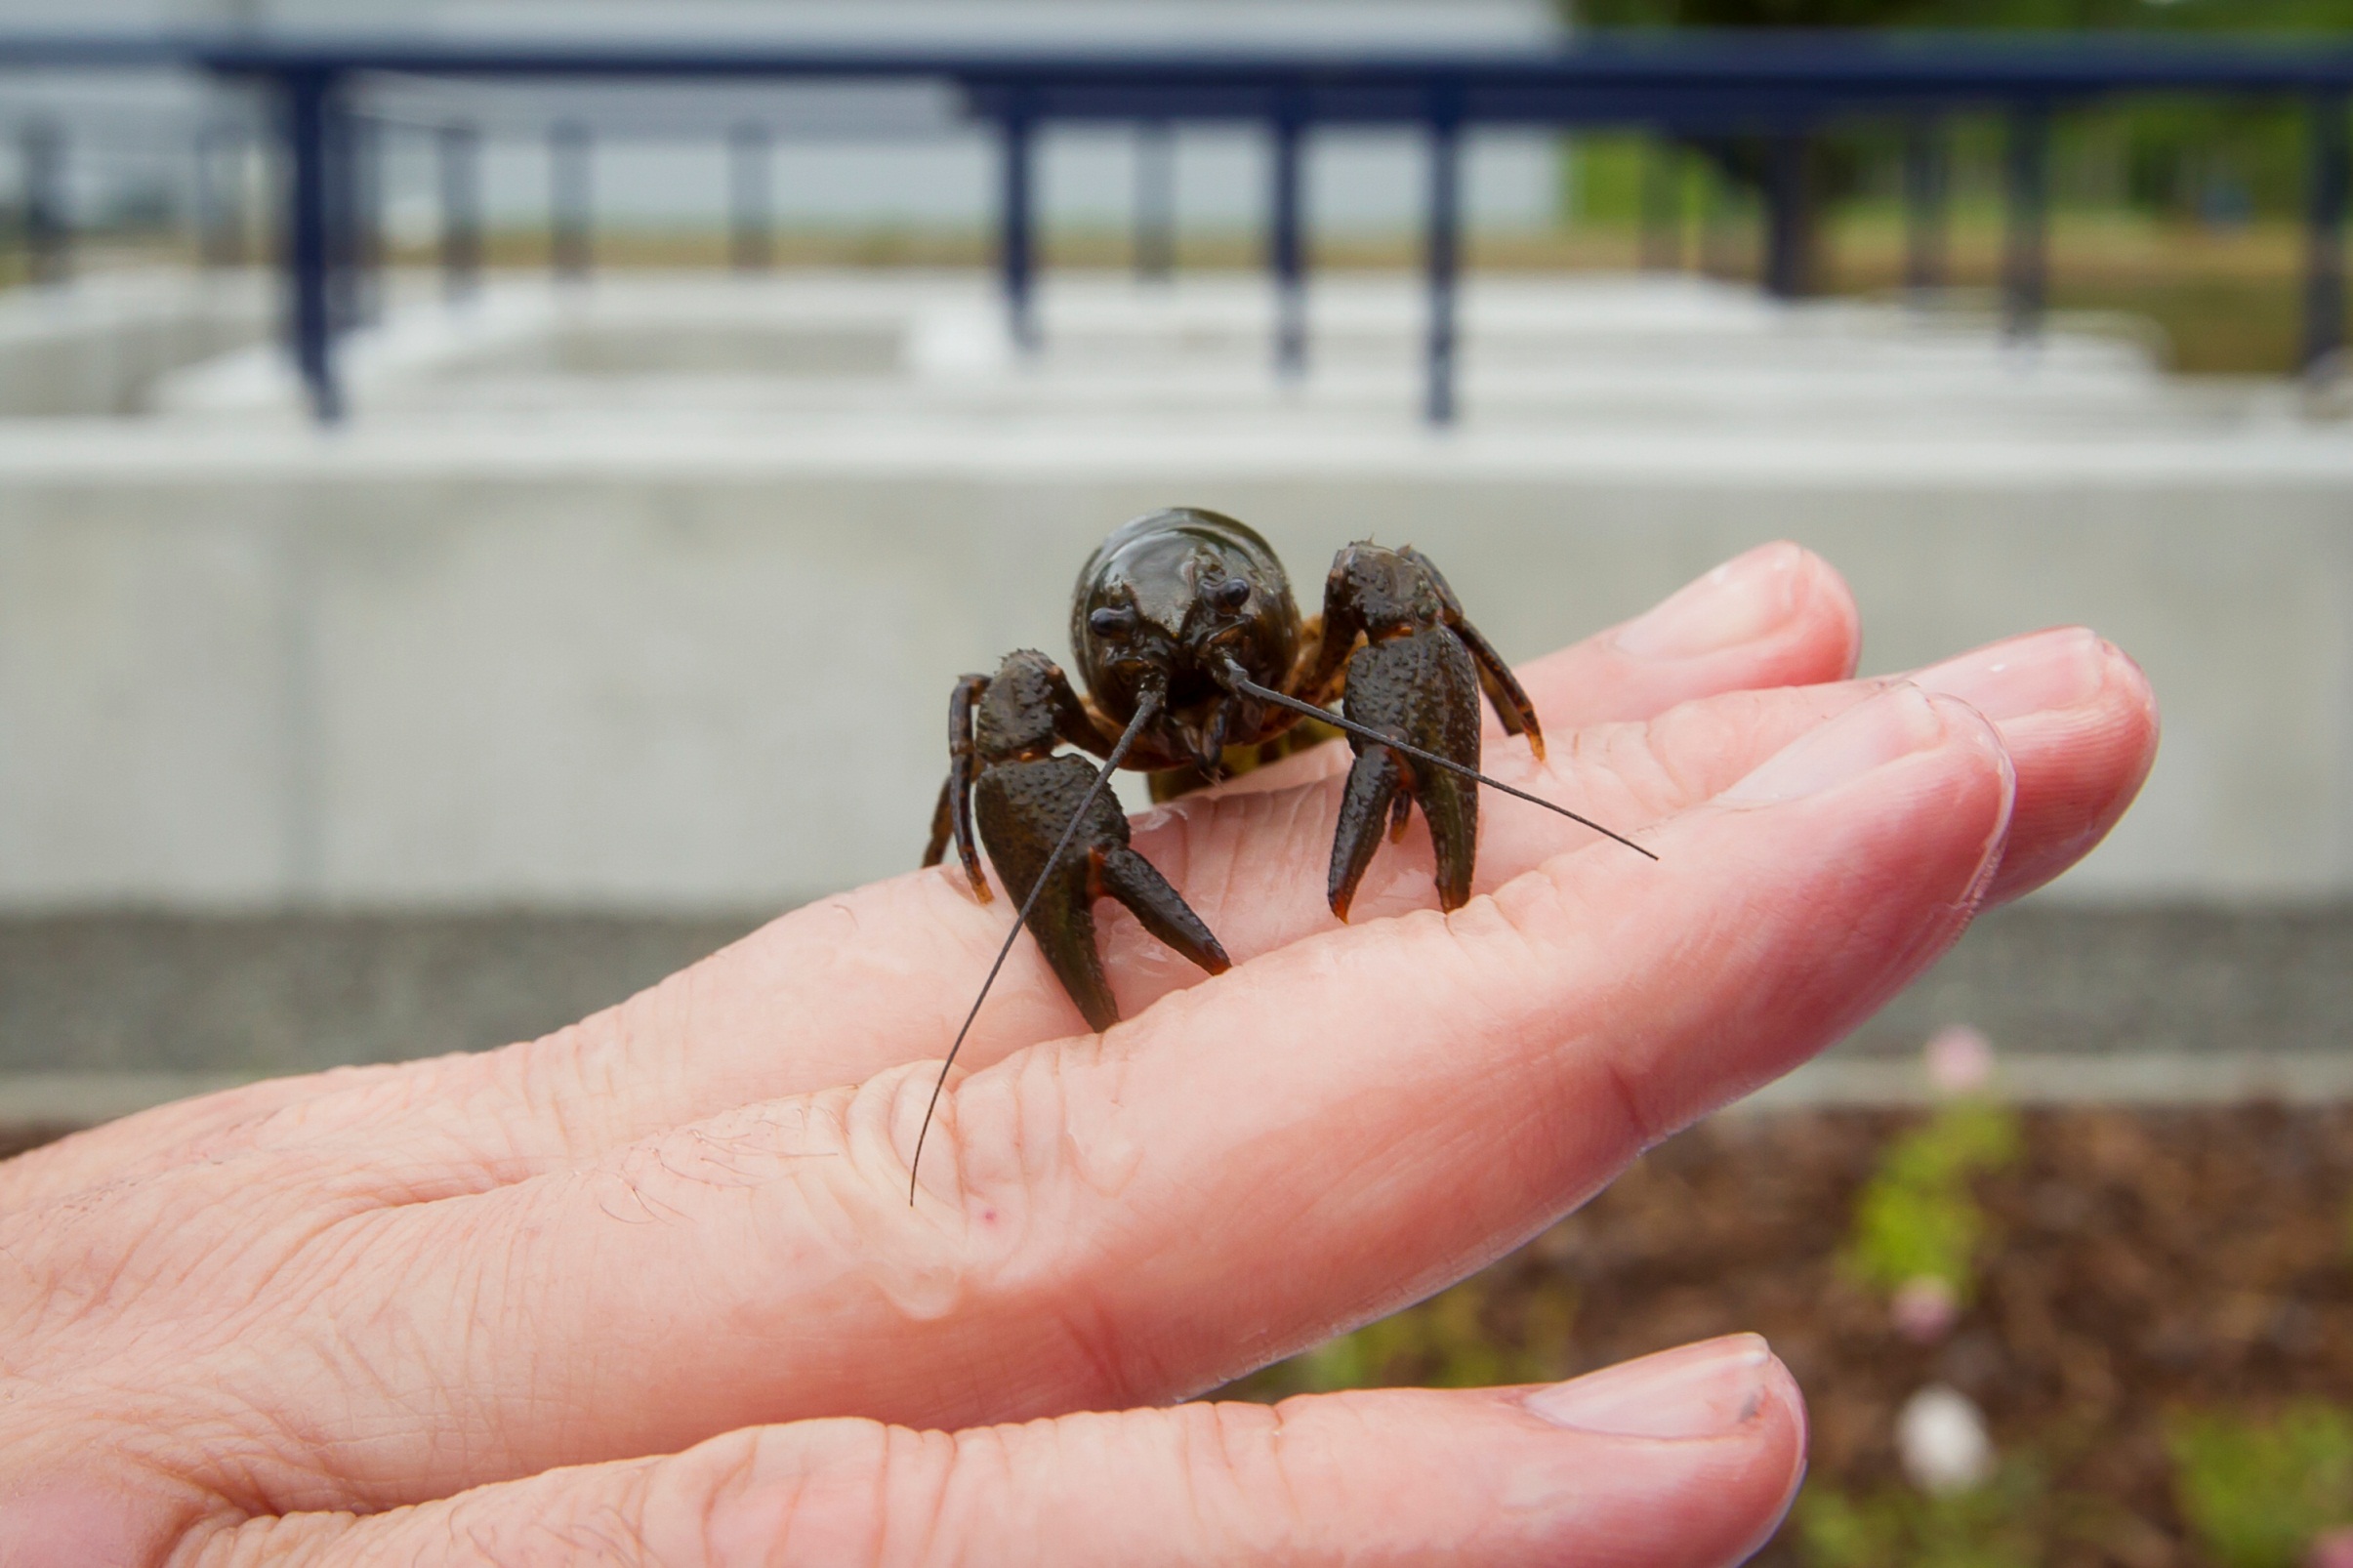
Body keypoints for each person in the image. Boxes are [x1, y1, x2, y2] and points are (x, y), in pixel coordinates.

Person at [0, 543, 2158, 1566]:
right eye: (1161, 674)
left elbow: (1401, 595)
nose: (1203, 700)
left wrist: (1464, 721)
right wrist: (1011, 839)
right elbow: (992, 726)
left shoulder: (1318, 638)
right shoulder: (1073, 701)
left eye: (1233, 662)